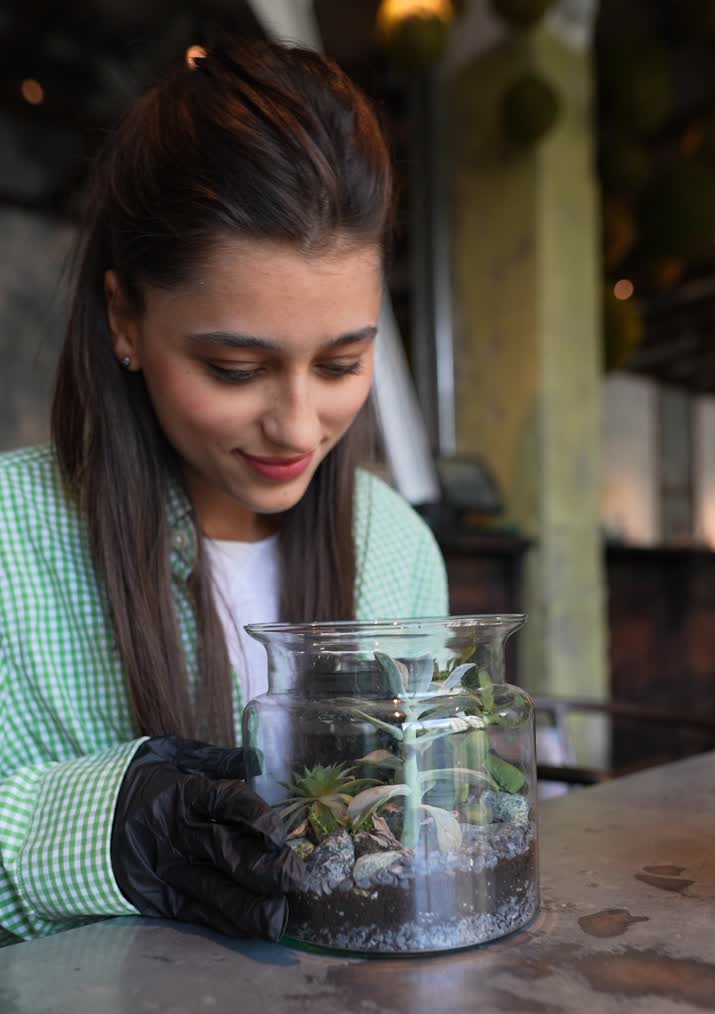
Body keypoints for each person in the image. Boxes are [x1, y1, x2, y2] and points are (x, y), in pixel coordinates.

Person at [0, 38, 448, 946]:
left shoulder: (397, 551)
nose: (295, 424)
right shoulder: (15, 540)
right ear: (125, 318)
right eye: (235, 367)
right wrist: (98, 832)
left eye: (340, 363)